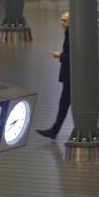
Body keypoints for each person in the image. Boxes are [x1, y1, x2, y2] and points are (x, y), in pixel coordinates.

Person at [36, 11, 70, 140]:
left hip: (71, 76)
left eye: (65, 21)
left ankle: (54, 131)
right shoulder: (69, 33)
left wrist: (60, 55)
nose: (62, 23)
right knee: (64, 103)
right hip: (69, 76)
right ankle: (54, 130)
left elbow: (74, 56)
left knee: (64, 103)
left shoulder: (71, 34)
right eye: (61, 20)